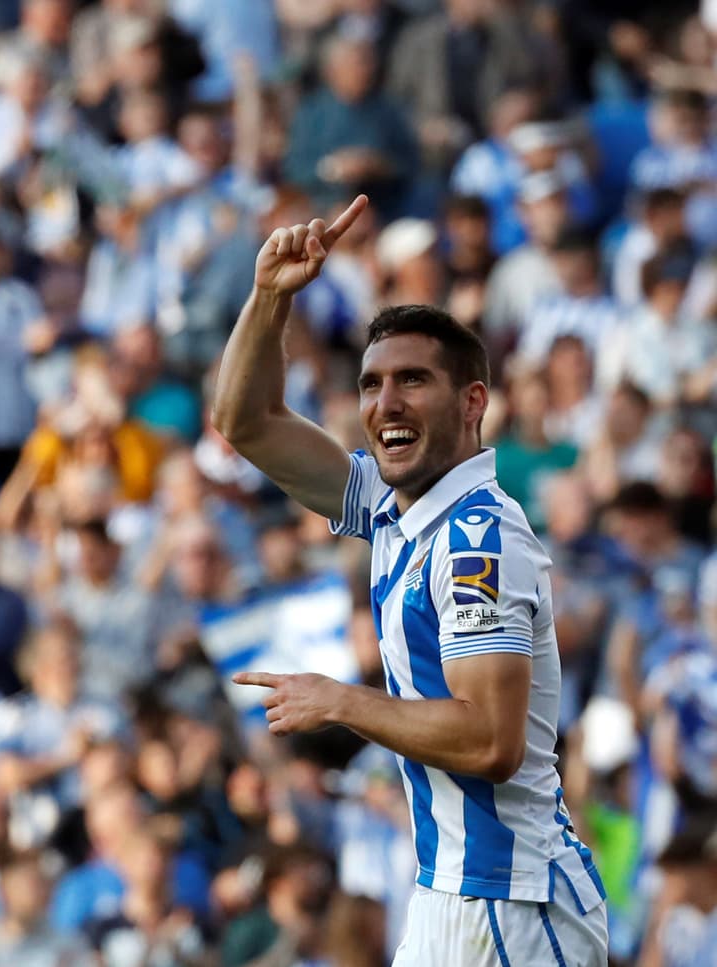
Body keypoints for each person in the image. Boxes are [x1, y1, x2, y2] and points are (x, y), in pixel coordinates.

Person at [211, 193, 608, 964]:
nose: (384, 402)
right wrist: (270, 299)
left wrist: (341, 700)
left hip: (508, 903)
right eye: (370, 383)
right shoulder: (396, 510)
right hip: (450, 890)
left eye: (412, 381)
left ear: (472, 404)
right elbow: (247, 423)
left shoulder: (474, 538)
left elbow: (490, 738)